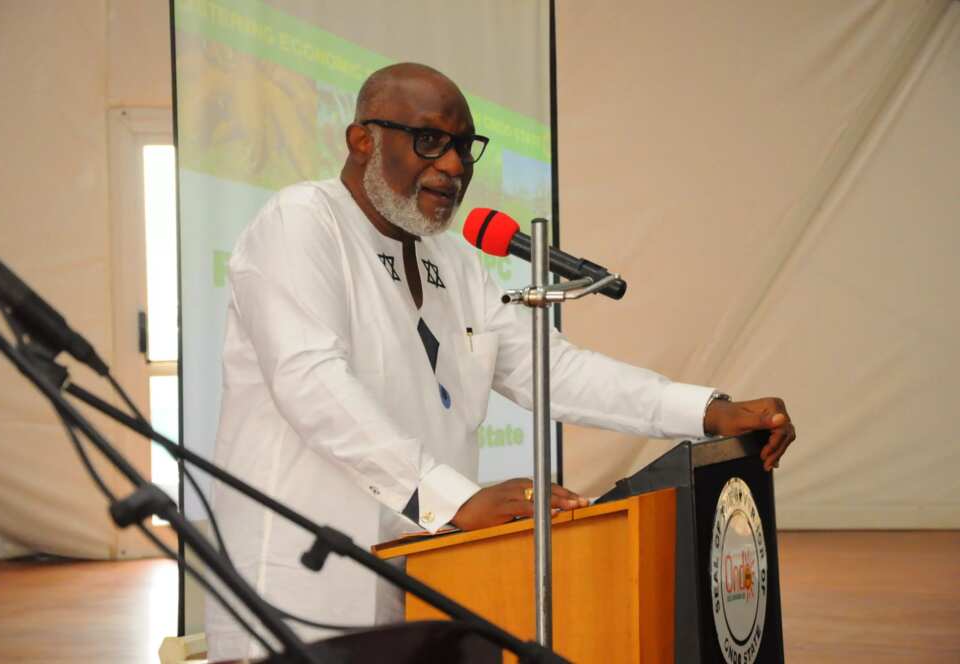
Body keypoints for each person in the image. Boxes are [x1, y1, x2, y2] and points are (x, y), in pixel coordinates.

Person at [205, 62, 795, 660]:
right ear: (363, 140)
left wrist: (707, 411)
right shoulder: (302, 222)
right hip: (301, 582)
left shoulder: (452, 259)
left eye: (464, 147)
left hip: (428, 574)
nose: (455, 166)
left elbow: (552, 370)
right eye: (430, 140)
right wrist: (454, 499)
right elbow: (311, 383)